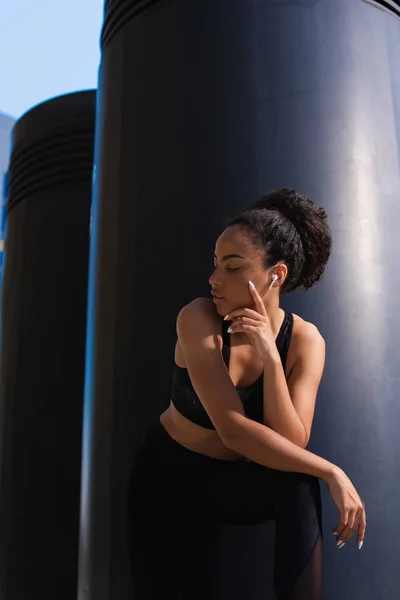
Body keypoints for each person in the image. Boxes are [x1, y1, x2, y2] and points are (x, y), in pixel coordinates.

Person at [127, 188, 366, 600]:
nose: (214, 279)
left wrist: (271, 360)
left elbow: (291, 442)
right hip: (167, 479)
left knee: (297, 485)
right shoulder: (198, 318)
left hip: (233, 485)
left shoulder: (306, 341)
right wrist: (332, 471)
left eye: (233, 267)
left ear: (277, 275)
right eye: (216, 264)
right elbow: (233, 429)